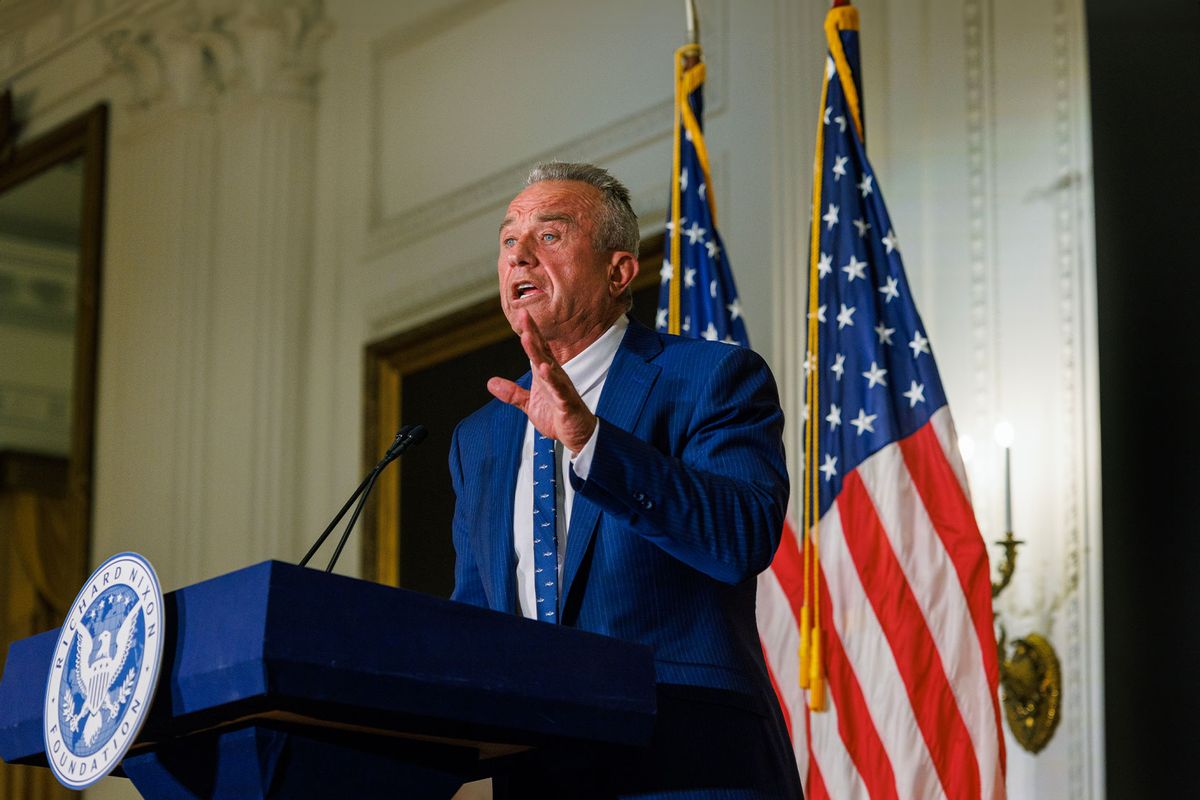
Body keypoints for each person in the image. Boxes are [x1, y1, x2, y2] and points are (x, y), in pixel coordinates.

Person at [449, 162, 801, 798]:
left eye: (549, 236)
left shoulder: (710, 379)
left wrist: (591, 441)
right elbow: (477, 616)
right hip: (537, 766)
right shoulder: (481, 436)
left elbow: (742, 538)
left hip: (687, 757)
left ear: (618, 271)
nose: (518, 256)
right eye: (508, 240)